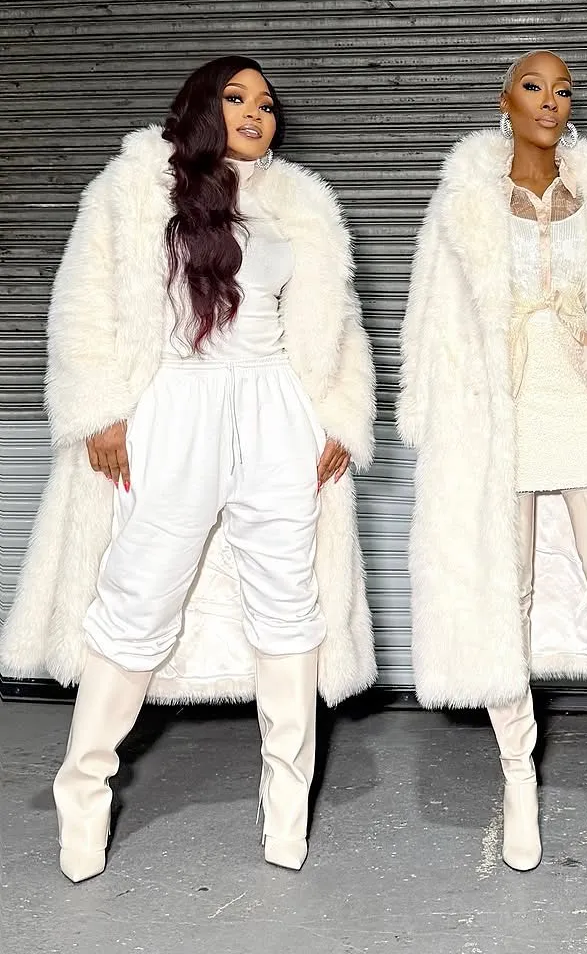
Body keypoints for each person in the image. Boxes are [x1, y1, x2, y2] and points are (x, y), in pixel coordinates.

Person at [0, 56, 378, 882]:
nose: (256, 113)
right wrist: (100, 411)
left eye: (266, 103)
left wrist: (339, 417)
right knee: (140, 591)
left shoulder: (300, 204)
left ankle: (287, 810)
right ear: (202, 107)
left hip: (277, 409)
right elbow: (83, 303)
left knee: (288, 604)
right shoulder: (136, 188)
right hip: (176, 403)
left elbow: (336, 321)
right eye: (237, 98)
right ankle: (83, 794)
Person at [398, 50, 587, 884]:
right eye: (533, 86)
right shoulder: (462, 202)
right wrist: (434, 424)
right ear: (504, 101)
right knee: (509, 601)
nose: (550, 100)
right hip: (497, 419)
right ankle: (518, 780)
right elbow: (429, 322)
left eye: (562, 89)